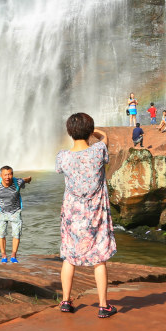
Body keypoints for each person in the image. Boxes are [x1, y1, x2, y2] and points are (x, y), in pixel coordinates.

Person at [56, 113, 117, 318]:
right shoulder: (98, 151)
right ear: (89, 132)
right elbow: (104, 139)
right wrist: (97, 131)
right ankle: (103, 306)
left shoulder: (63, 156)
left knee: (69, 256)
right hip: (95, 213)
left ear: (69, 132)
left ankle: (65, 301)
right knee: (99, 258)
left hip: (72, 213)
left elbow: (59, 169)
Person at [0, 166, 32, 262]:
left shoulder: (18, 182)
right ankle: (4, 255)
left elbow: (24, 180)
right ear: (1, 176)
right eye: (5, 175)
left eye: (10, 174)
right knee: (1, 234)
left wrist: (29, 179)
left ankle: (13, 255)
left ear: (12, 175)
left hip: (15, 211)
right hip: (1, 211)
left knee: (16, 234)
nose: (7, 177)